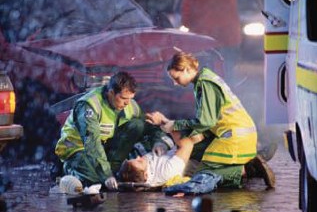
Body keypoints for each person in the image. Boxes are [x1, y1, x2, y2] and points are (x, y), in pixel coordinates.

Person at [145, 52, 275, 195]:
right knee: (194, 152)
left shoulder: (205, 84)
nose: (175, 83)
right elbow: (207, 122)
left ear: (187, 69)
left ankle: (249, 170)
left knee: (203, 174)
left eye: (176, 78)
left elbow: (206, 121)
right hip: (236, 134)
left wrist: (174, 125)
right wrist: (173, 125)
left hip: (234, 137)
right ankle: (249, 161)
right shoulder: (205, 79)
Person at [55, 71, 174, 190]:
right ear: (111, 93)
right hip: (78, 149)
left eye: (131, 98)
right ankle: (68, 168)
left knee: (137, 125)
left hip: (103, 149)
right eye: (123, 98)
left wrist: (159, 142)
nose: (127, 103)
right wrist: (106, 175)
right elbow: (92, 144)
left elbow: (149, 126)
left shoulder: (130, 105)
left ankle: (110, 169)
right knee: (96, 182)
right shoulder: (89, 105)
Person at [117, 132, 206, 188]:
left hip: (176, 147)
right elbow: (188, 145)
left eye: (136, 159)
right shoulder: (166, 171)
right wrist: (171, 126)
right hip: (195, 154)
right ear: (146, 175)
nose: (138, 157)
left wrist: (160, 144)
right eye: (139, 161)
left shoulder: (143, 172)